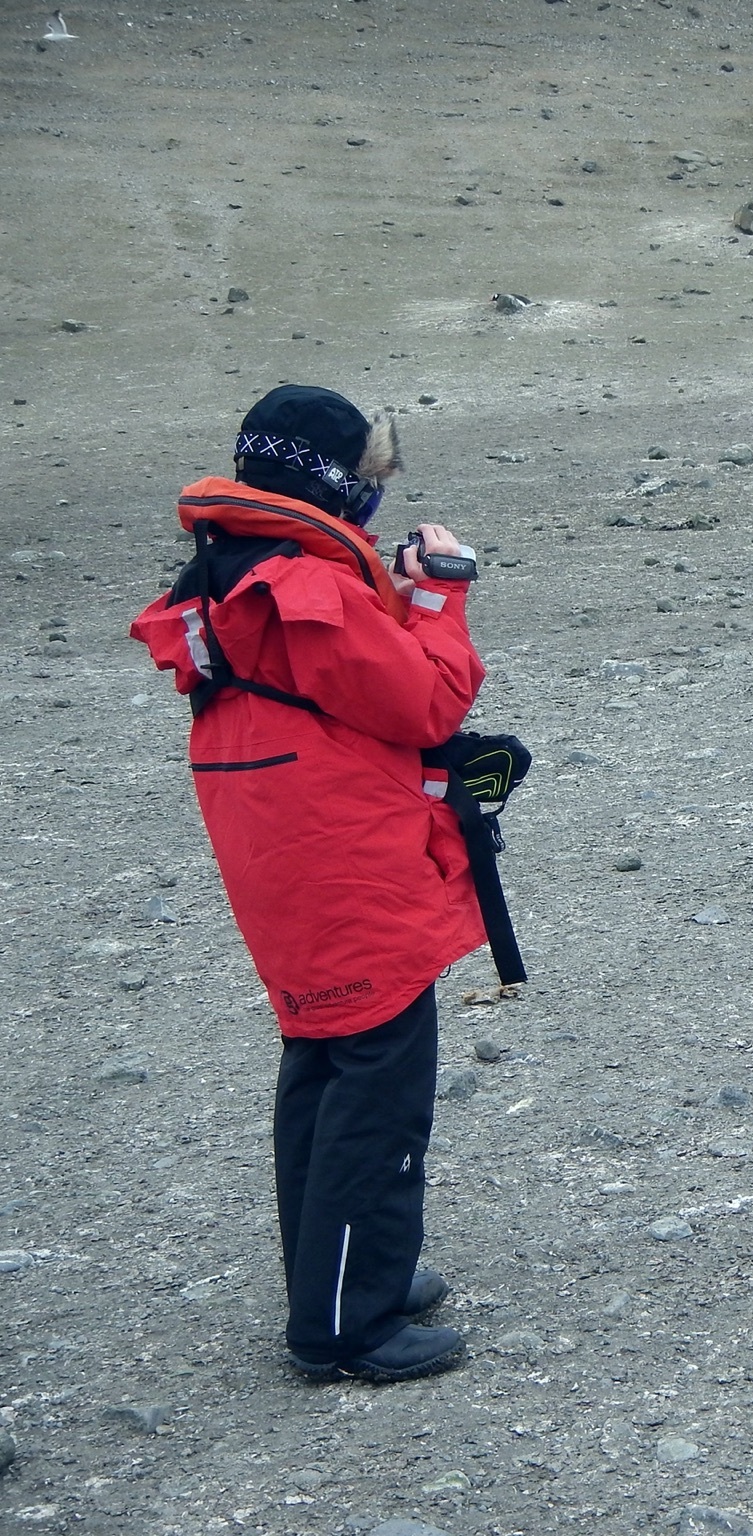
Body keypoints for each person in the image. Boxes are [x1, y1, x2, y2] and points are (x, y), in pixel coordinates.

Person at [130, 384, 486, 1382]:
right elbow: (426, 701)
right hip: (339, 858)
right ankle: (345, 1326)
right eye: (371, 481)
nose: (373, 503)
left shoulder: (223, 573)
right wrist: (442, 595)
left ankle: (342, 1273)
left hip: (280, 847)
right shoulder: (306, 586)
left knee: (324, 1064)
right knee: (377, 1080)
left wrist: (401, 596)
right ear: (334, 481)